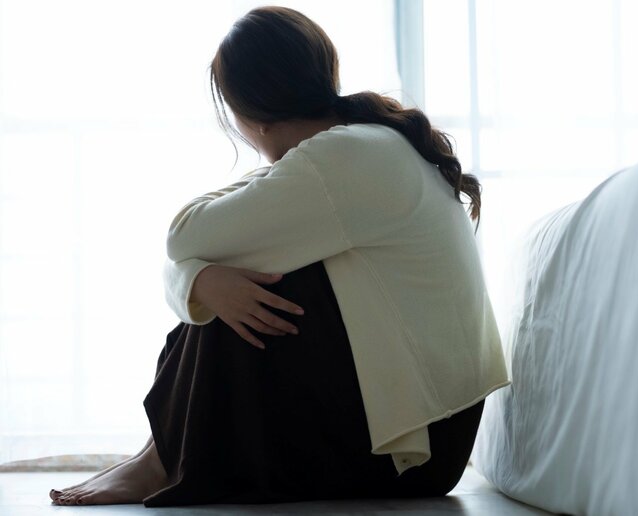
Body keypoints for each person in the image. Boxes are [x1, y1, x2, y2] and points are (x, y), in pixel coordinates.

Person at [49, 5, 509, 507]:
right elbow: (188, 247)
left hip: (414, 449)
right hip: (428, 437)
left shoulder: (347, 158)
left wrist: (199, 278)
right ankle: (157, 456)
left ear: (249, 114)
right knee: (241, 278)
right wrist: (201, 283)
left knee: (265, 278)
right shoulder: (354, 148)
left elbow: (183, 237)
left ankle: (160, 462)